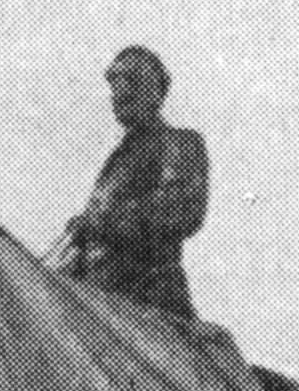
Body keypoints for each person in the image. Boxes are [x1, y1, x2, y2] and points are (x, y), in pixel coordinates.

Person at [56, 47, 209, 320]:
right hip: (100, 308)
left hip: (152, 306)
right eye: (114, 81)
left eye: (133, 79)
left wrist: (100, 222)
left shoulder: (180, 143)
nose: (121, 91)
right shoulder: (115, 162)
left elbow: (180, 209)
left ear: (159, 90)